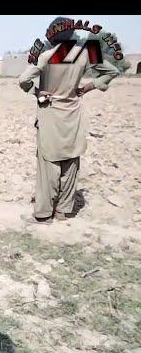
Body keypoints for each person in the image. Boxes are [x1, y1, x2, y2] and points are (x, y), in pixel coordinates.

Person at [18, 17, 120, 224]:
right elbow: (112, 71)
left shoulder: (47, 55)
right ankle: (64, 211)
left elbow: (23, 80)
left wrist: (38, 93)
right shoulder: (86, 53)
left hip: (50, 114)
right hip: (73, 113)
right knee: (71, 161)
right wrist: (88, 87)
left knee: (48, 164)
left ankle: (43, 214)